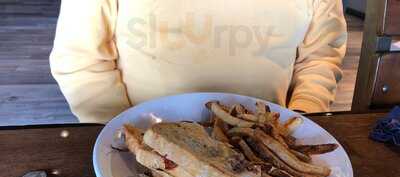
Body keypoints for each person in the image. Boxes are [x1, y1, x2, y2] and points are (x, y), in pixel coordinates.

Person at [50, 0, 347, 123]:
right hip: (140, 142)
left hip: (266, 145)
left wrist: (301, 122)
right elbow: (81, 59)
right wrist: (123, 134)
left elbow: (320, 56)